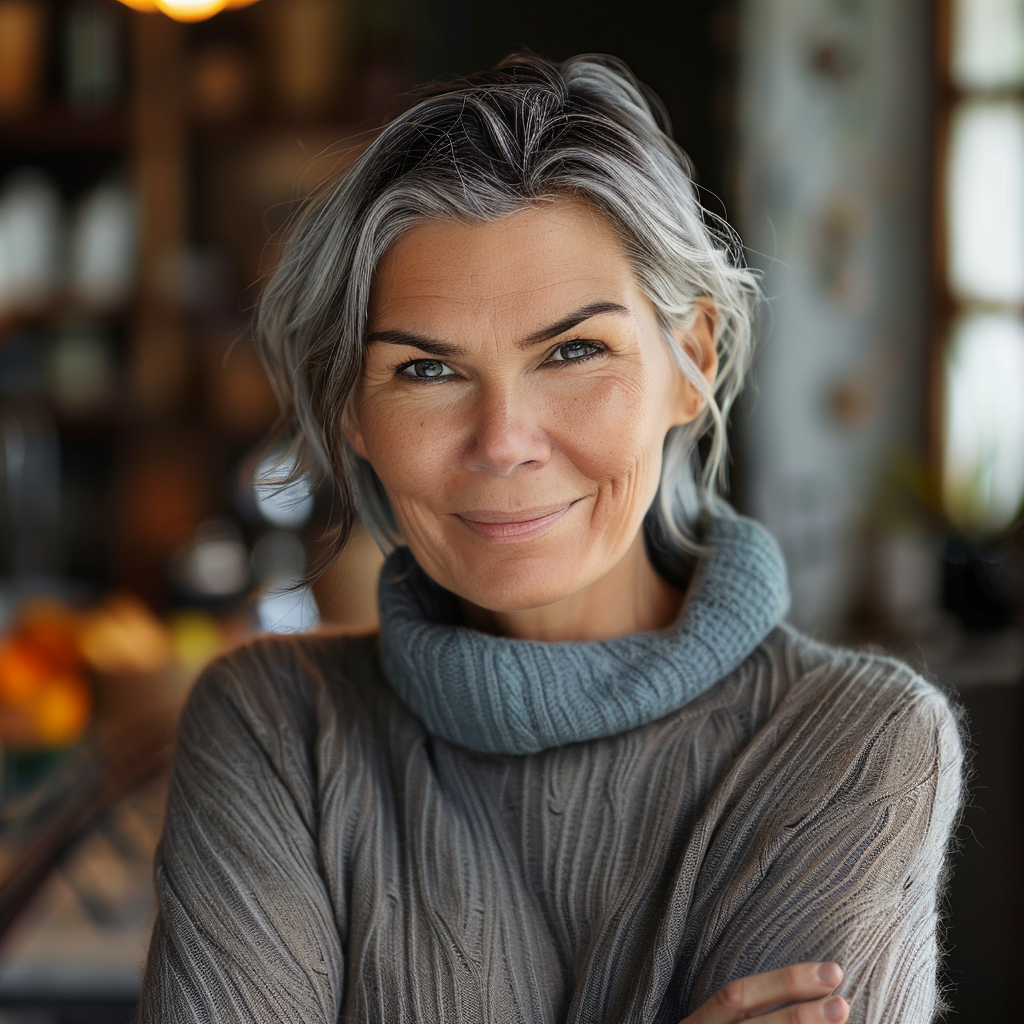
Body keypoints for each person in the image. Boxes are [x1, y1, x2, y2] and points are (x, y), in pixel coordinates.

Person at [139, 55, 963, 1024]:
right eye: (426, 370)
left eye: (574, 352)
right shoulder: (275, 730)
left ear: (689, 361)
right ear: (349, 409)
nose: (502, 443)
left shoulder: (854, 743)